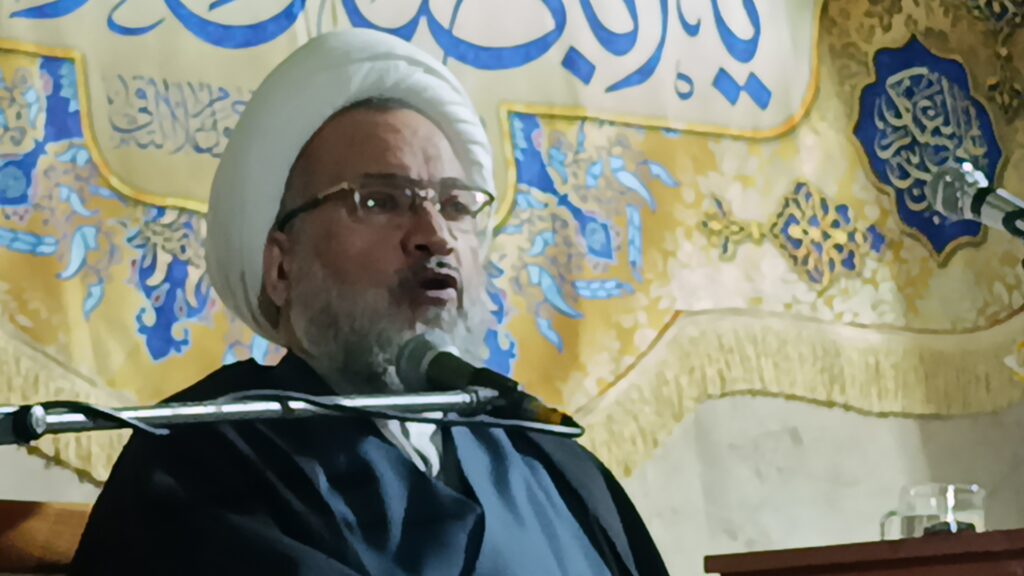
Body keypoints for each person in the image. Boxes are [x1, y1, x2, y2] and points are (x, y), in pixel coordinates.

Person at [70, 29, 667, 576]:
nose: (435, 235)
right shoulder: (206, 459)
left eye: (455, 205)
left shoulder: (548, 457)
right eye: (380, 201)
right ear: (281, 267)